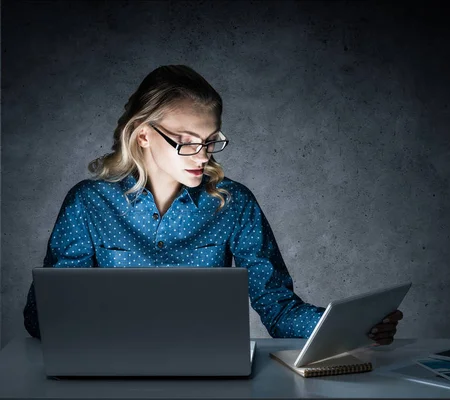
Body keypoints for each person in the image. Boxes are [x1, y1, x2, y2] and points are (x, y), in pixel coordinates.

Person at [23, 65, 403, 343]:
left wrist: (352, 327)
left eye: (210, 140)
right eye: (187, 141)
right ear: (142, 135)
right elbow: (43, 319)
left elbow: (277, 307)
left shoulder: (234, 203)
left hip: (209, 370)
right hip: (105, 365)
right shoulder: (89, 203)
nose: (201, 155)